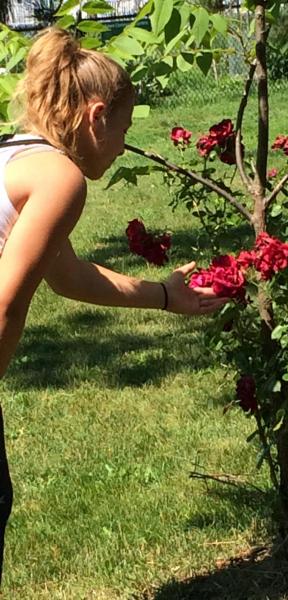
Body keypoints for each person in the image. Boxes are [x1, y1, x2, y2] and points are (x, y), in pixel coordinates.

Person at [0, 27, 227, 583]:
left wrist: (167, 295)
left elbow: (68, 275)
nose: (123, 143)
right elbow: (5, 305)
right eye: (123, 129)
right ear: (97, 116)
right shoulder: (60, 176)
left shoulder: (14, 156)